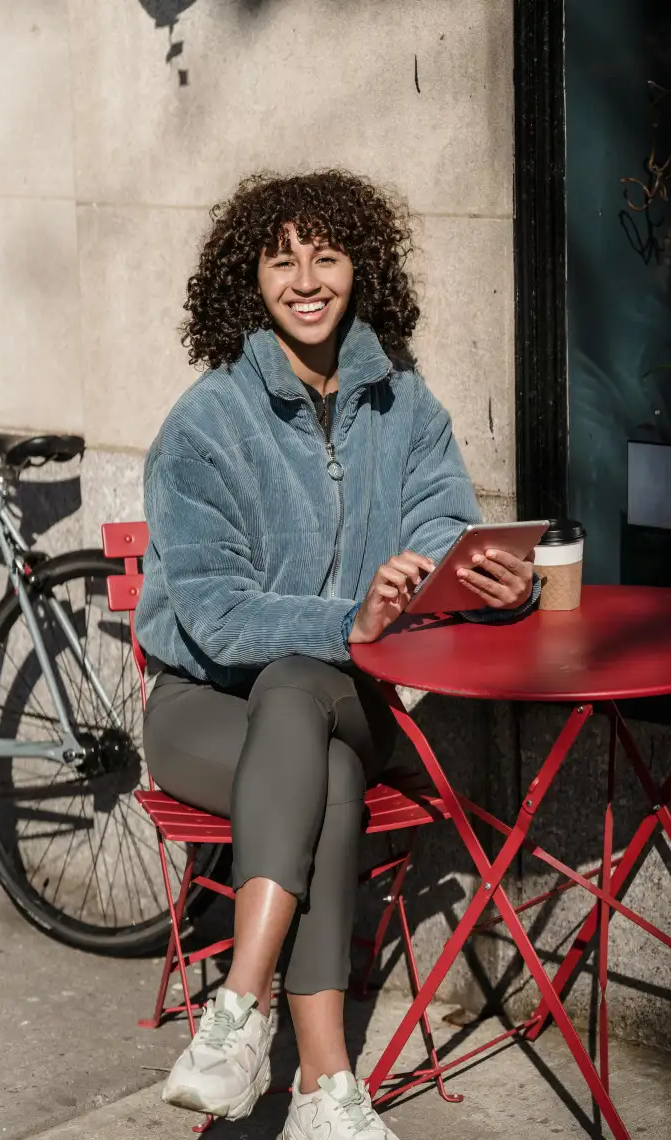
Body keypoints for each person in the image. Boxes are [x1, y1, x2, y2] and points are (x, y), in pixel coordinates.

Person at [137, 170, 539, 1140]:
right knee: (319, 764)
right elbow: (220, 618)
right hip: (200, 712)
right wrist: (347, 622)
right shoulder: (205, 426)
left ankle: (237, 1011)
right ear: (250, 280)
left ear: (362, 269)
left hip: (351, 699)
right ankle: (325, 1089)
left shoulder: (404, 407)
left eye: (327, 255)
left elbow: (446, 531)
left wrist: (491, 582)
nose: (306, 278)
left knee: (309, 696)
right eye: (282, 259)